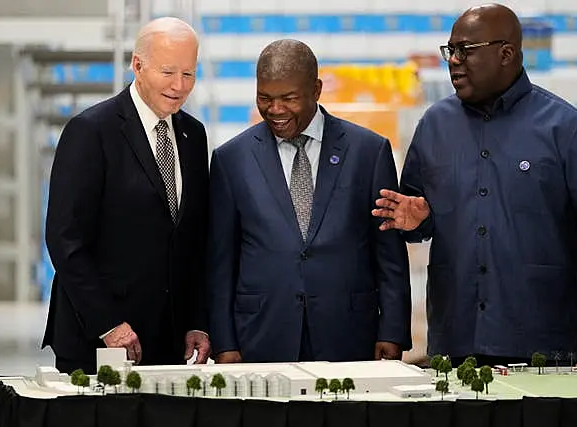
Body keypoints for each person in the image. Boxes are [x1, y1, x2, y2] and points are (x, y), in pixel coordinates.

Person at [372, 3, 577, 367]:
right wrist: (418, 221)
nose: (454, 60)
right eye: (450, 50)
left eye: (465, 50)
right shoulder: (434, 125)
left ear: (506, 53)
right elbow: (416, 215)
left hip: (542, 337)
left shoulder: (567, 128)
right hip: (456, 339)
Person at [207, 39, 411, 363]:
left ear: (316, 90)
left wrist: (393, 330)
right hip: (260, 336)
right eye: (265, 98)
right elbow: (220, 263)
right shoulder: (230, 159)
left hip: (350, 334)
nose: (275, 110)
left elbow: (388, 255)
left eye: (288, 98)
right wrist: (223, 342)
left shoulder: (368, 152)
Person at [42, 17, 211, 374]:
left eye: (189, 74)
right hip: (99, 341)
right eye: (168, 72)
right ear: (137, 65)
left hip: (168, 344)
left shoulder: (193, 136)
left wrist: (197, 321)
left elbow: (192, 241)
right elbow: (64, 239)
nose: (179, 86)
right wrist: (108, 324)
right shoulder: (90, 131)